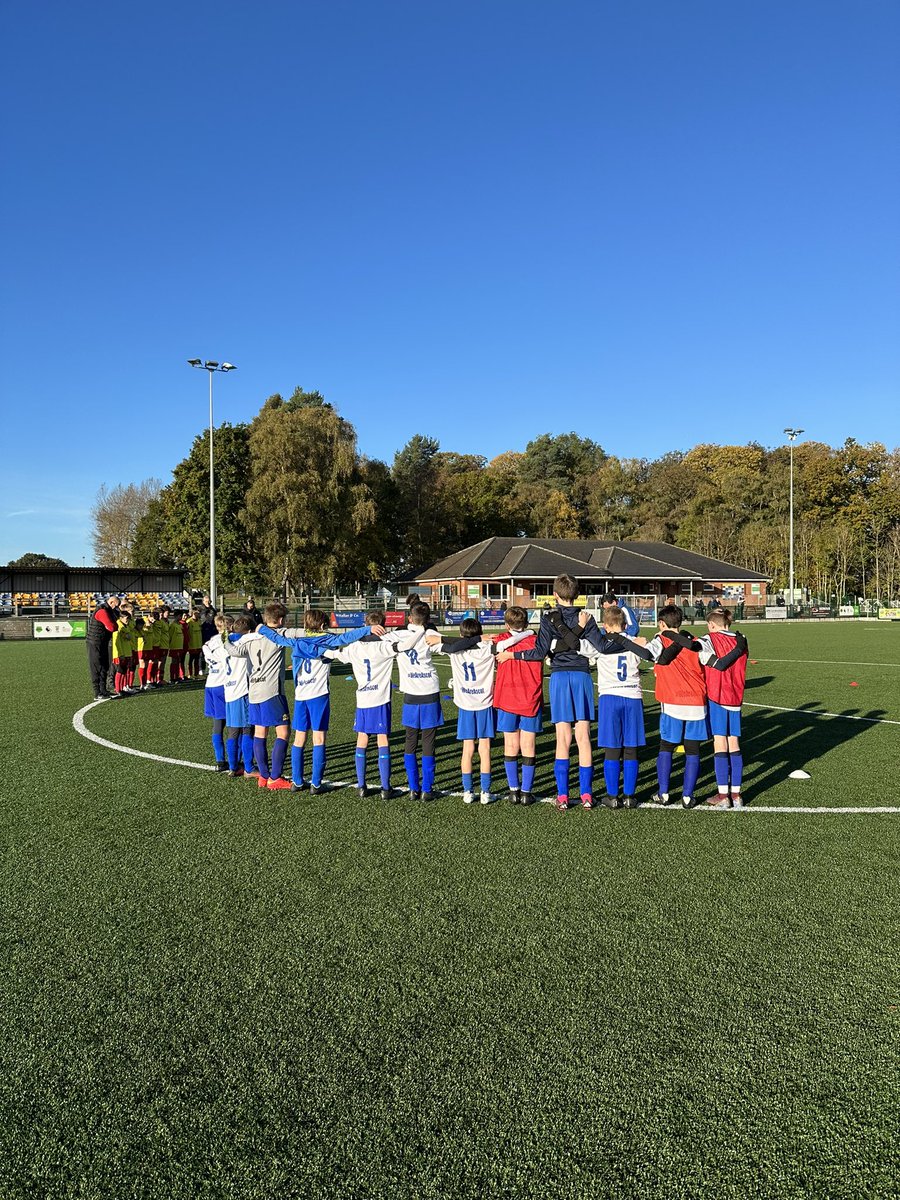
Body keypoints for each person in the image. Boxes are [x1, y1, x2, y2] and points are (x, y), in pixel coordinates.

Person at [498, 573, 606, 810]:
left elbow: (538, 653)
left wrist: (512, 655)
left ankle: (563, 796)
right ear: (577, 595)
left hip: (559, 677)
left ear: (555, 595)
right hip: (582, 676)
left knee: (563, 738)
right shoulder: (586, 617)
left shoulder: (548, 618)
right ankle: (587, 795)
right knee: (584, 737)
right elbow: (601, 647)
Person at [254, 609, 379, 795]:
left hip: (301, 695)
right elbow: (346, 638)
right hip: (319, 695)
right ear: (322, 625)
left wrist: (262, 629)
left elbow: (278, 639)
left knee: (299, 738)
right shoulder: (328, 639)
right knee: (319, 738)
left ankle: (297, 781)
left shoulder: (297, 641)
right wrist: (368, 629)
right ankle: (316, 784)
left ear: (306, 624)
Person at [644, 604, 746, 809]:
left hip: (681, 700)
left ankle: (664, 792)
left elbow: (651, 656)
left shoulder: (700, 641)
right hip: (706, 701)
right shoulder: (738, 639)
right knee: (697, 748)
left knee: (667, 746)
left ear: (662, 624)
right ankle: (691, 796)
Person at [430, 618, 521, 805]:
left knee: (468, 749)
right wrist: (528, 633)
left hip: (465, 705)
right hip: (485, 703)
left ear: (461, 634)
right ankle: (485, 792)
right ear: (480, 632)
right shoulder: (487, 647)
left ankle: (467, 791)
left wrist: (461, 639)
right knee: (485, 749)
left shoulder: (454, 650)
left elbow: (433, 639)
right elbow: (511, 641)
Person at [323, 610, 404, 800]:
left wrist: (313, 647)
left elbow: (335, 654)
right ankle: (385, 788)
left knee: (362, 739)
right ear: (382, 626)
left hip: (363, 700)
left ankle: (361, 786)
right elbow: (403, 645)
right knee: (382, 739)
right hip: (381, 699)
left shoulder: (354, 647)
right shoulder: (385, 645)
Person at [580, 606, 653, 809]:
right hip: (632, 696)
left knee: (612, 749)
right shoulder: (635, 642)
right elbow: (649, 653)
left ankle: (612, 796)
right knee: (630, 749)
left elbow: (578, 646)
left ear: (605, 626)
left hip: (610, 698)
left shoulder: (600, 644)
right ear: (626, 625)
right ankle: (629, 796)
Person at [222, 602, 293, 790]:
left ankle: (263, 775)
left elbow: (234, 651)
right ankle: (275, 777)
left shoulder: (251, 639)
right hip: (272, 691)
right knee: (283, 732)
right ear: (280, 620)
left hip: (253, 691)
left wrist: (226, 640)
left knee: (260, 732)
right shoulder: (278, 636)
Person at [693, 608, 749, 808]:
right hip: (736, 696)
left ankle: (722, 795)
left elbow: (700, 654)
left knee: (719, 743)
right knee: (734, 743)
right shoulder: (741, 639)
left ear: (712, 625)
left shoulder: (709, 639)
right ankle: (737, 794)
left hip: (717, 695)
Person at [490, 606, 543, 805]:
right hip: (530, 697)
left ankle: (513, 791)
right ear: (527, 623)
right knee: (528, 745)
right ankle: (527, 792)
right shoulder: (536, 641)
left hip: (507, 697)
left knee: (510, 744)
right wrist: (530, 633)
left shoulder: (500, 640)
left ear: (506, 624)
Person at [395, 601, 443, 801]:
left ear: (409, 618)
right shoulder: (433, 636)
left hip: (411, 694)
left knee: (410, 740)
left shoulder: (399, 634)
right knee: (428, 741)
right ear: (429, 619)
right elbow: (454, 645)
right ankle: (427, 789)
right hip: (430, 691)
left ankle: (413, 788)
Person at [222, 614, 256, 778]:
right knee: (248, 730)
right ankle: (248, 768)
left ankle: (234, 766)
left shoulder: (226, 641)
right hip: (242, 691)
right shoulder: (245, 642)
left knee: (233, 731)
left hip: (229, 691)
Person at [202, 615, 230, 771]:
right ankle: (229, 760)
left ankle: (220, 759)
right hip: (222, 685)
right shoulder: (225, 643)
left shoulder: (210, 642)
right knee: (233, 724)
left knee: (217, 725)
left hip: (210, 684)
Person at [86, 594, 120, 700]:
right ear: (111, 603)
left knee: (104, 666)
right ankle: (97, 692)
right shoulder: (102, 611)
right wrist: (115, 625)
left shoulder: (108, 611)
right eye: (116, 605)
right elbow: (112, 627)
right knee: (96, 667)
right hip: (94, 642)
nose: (117, 608)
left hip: (102, 642)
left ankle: (103, 690)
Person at [110, 609, 135, 698]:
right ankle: (118, 689)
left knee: (123, 671)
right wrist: (120, 654)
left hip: (127, 652)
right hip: (121, 653)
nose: (127, 619)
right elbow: (116, 642)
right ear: (120, 618)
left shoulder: (125, 626)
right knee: (120, 671)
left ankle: (121, 689)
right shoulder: (118, 627)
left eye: (128, 618)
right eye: (125, 618)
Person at [185, 609, 203, 678]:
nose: (197, 615)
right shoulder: (189, 621)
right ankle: (190, 673)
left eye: (198, 613)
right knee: (191, 659)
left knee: (197, 659)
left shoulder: (199, 621)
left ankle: (196, 674)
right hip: (192, 644)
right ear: (192, 614)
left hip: (198, 644)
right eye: (195, 613)